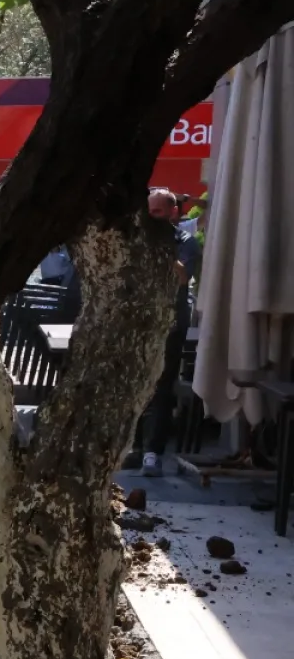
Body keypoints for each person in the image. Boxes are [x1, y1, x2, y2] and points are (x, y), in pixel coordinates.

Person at [140, 188, 203, 476]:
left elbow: (182, 278)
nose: (153, 218)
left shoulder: (185, 242)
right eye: (149, 212)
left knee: (162, 386)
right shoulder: (138, 239)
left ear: (173, 213)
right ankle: (135, 446)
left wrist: (163, 251)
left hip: (171, 322)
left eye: (158, 213)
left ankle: (153, 452)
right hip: (141, 320)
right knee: (137, 385)